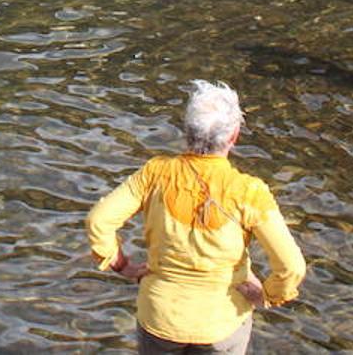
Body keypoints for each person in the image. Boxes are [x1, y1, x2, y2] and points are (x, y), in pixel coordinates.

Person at [87, 81, 307, 355]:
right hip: (223, 322)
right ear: (234, 136)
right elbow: (292, 266)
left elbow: (98, 221)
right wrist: (268, 295)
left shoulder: (155, 173)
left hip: (160, 317)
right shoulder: (249, 191)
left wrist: (121, 265)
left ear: (187, 131)